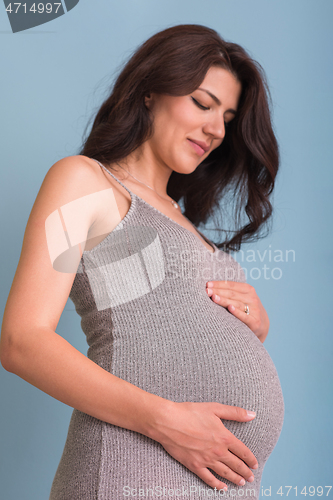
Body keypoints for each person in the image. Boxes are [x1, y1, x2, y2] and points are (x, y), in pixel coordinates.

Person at [0, 24, 284, 499]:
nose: (217, 129)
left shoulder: (186, 221)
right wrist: (166, 421)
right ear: (151, 91)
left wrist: (253, 329)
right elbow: (21, 341)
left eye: (228, 118)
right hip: (129, 471)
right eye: (202, 103)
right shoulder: (85, 182)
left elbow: (168, 324)